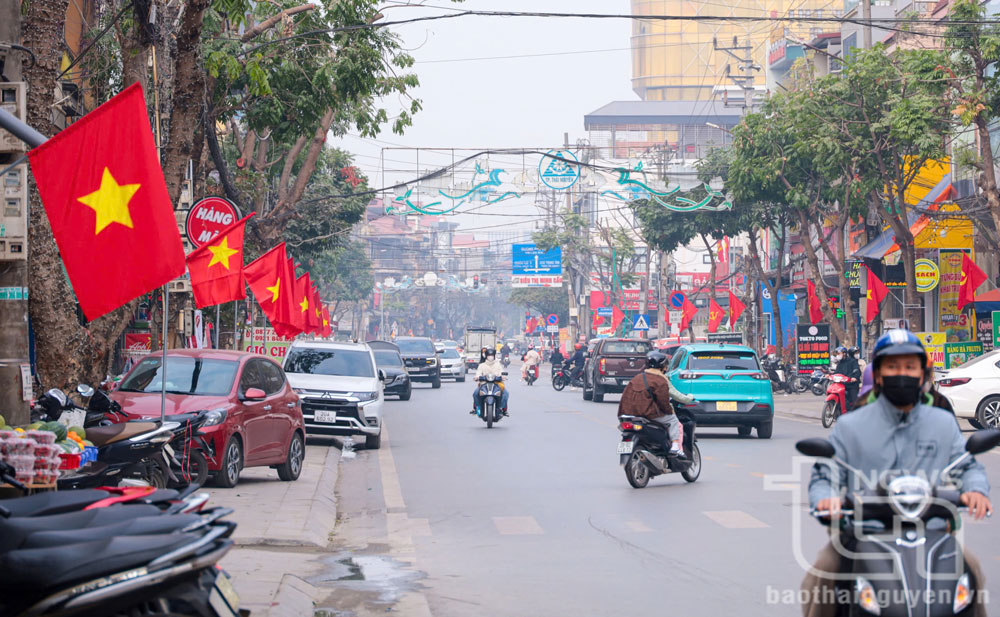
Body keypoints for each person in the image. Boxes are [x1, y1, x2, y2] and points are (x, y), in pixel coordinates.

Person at [802, 329, 991, 617]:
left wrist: (976, 490)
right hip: (864, 533)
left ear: (922, 374)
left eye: (909, 367)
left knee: (972, 570)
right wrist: (826, 499)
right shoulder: (851, 425)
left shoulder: (942, 423)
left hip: (932, 531)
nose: (901, 373)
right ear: (878, 374)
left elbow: (966, 465)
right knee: (822, 576)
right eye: (892, 367)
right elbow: (826, 472)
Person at [617, 351, 695, 455]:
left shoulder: (637, 378)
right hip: (648, 415)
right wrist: (671, 409)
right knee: (672, 419)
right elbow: (664, 402)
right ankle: (676, 446)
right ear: (662, 366)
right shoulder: (660, 380)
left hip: (628, 414)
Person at [471, 348, 509, 416]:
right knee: (475, 393)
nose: (490, 357)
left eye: (491, 355)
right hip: (484, 384)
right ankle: (477, 408)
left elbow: (501, 372)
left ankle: (502, 409)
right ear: (486, 356)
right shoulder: (482, 365)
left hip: (496, 384)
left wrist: (502, 376)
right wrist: (477, 377)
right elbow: (478, 373)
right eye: (489, 355)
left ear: (494, 356)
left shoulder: (498, 364)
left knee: (505, 394)